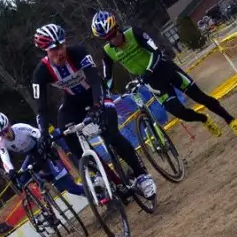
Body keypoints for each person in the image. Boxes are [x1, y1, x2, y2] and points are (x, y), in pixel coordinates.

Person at [31, 23, 156, 199]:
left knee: (111, 134)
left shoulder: (78, 52)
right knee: (66, 133)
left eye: (62, 45)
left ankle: (142, 175)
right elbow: (41, 108)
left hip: (96, 93)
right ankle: (102, 176)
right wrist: (43, 133)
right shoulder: (40, 73)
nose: (61, 51)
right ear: (45, 50)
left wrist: (97, 105)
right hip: (73, 101)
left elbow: (95, 80)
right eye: (54, 48)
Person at [90, 12, 237, 138]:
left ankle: (230, 120)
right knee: (179, 112)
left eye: (114, 34)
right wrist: (106, 95)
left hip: (166, 69)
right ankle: (204, 119)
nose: (113, 39)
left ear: (117, 27)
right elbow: (108, 76)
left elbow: (156, 52)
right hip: (154, 83)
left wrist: (148, 71)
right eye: (108, 38)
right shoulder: (108, 51)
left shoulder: (134, 32)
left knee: (201, 98)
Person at [0, 112, 85, 197]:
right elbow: (5, 159)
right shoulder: (0, 143)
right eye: (1, 134)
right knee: (20, 182)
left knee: (69, 187)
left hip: (41, 148)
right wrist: (11, 171)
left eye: (5, 131)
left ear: (9, 125)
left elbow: (39, 135)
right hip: (30, 155)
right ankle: (44, 177)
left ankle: (93, 194)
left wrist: (46, 148)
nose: (5, 135)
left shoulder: (20, 128)